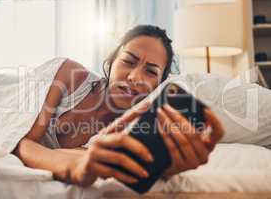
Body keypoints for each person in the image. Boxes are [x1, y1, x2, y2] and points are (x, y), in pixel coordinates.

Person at [12, 25, 224, 187]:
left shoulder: (132, 129)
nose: (134, 77)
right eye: (128, 61)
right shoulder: (68, 75)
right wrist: (75, 167)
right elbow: (21, 144)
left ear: (159, 85)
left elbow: (105, 161)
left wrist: (161, 167)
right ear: (112, 60)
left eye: (151, 72)